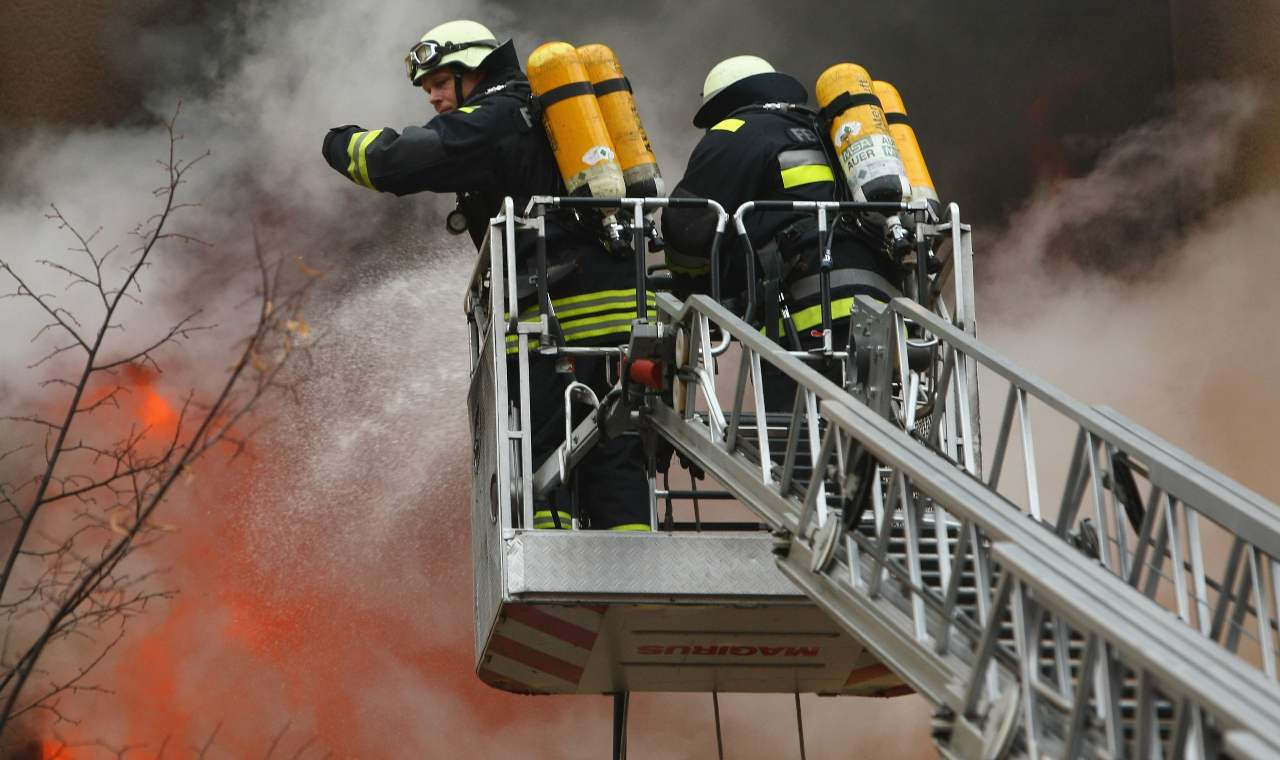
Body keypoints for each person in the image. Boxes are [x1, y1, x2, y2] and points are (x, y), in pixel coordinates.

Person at [322, 20, 650, 531]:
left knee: (545, 455)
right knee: (616, 455)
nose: (431, 97)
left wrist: (338, 142)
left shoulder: (494, 116)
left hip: (557, 316)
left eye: (437, 82)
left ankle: (555, 566)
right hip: (624, 312)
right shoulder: (540, 112)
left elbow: (394, 164)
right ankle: (636, 569)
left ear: (472, 70)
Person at [661, 55, 902, 408]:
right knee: (873, 439)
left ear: (724, 104)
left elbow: (688, 228)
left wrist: (693, 294)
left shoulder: (734, 132)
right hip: (881, 303)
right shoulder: (829, 132)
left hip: (806, 314)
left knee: (800, 442)